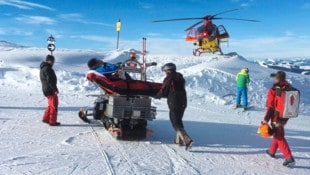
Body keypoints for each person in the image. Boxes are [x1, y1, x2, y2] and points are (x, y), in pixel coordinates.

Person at [156, 63, 193, 150]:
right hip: (183, 101)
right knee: (178, 120)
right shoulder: (180, 78)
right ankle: (178, 140)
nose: (165, 72)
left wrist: (158, 95)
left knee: (175, 122)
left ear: (168, 70)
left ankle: (187, 140)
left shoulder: (169, 78)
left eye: (165, 71)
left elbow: (164, 89)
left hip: (174, 102)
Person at [263, 71, 296, 167]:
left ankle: (289, 157)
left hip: (276, 116)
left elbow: (270, 106)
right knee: (277, 132)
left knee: (279, 136)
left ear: (277, 79)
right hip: (285, 116)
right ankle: (271, 151)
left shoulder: (273, 90)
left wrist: (266, 119)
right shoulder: (288, 87)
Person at [40, 55, 60, 126]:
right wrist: (55, 89)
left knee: (50, 105)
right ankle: (52, 121)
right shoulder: (48, 69)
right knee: (54, 105)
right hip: (50, 89)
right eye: (53, 61)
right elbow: (50, 81)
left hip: (46, 89)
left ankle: (46, 119)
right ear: (49, 61)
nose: (53, 63)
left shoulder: (43, 68)